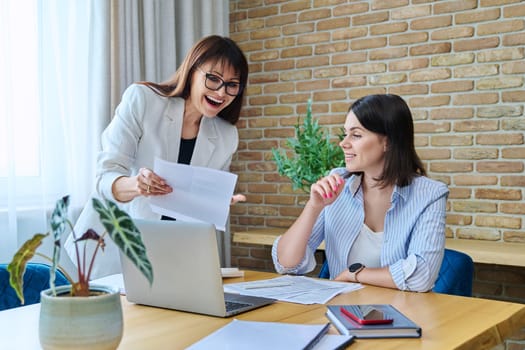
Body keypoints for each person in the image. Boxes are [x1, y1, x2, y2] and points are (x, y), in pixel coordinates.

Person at [65, 35, 248, 278]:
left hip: (172, 255)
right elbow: (105, 178)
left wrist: (216, 201)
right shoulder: (143, 100)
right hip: (112, 246)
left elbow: (199, 206)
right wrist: (137, 185)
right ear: (192, 71)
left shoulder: (227, 136)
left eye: (232, 85)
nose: (221, 92)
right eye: (213, 79)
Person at [272, 94, 449, 292]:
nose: (343, 143)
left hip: (403, 314)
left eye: (356, 135)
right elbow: (286, 264)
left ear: (388, 142)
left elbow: (421, 276)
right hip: (341, 312)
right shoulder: (338, 183)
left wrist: (354, 274)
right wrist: (313, 207)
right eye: (345, 133)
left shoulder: (430, 194)